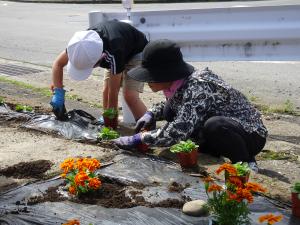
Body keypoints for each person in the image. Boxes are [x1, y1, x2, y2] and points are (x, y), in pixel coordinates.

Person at [114, 39, 268, 170]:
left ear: (167, 73)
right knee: (169, 110)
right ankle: (211, 150)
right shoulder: (178, 84)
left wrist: (139, 138)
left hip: (249, 133)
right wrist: (151, 113)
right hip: (227, 127)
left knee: (215, 126)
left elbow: (178, 131)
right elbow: (174, 106)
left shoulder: (198, 86)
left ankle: (245, 161)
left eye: (151, 76)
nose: (147, 82)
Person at [50, 20, 148, 121]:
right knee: (106, 91)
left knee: (130, 96)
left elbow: (113, 91)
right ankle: (106, 118)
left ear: (99, 60)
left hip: (137, 52)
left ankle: (148, 126)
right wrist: (58, 92)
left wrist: (111, 116)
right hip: (116, 46)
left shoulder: (113, 53)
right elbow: (58, 64)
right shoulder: (79, 45)